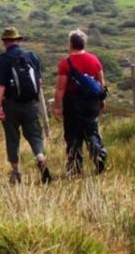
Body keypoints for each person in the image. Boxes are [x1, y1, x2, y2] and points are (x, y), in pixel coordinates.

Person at [0, 27, 51, 184]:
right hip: (30, 103)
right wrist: (35, 101)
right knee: (34, 134)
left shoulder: (3, 60)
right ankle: (40, 157)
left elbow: (0, 86)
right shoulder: (31, 56)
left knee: (12, 137)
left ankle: (16, 172)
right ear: (18, 40)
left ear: (5, 42)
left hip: (10, 104)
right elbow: (38, 82)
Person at [53, 29, 107, 176]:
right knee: (92, 132)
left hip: (73, 103)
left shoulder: (65, 64)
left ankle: (75, 169)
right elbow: (101, 83)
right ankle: (99, 157)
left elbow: (60, 88)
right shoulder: (94, 60)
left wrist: (57, 107)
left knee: (73, 136)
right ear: (84, 43)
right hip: (91, 103)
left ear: (71, 44)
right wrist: (102, 100)